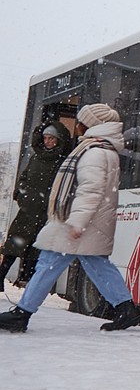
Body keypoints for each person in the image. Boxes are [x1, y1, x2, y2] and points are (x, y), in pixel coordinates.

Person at [0, 103, 140, 333]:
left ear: (89, 125)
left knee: (48, 262)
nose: (77, 125)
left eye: (80, 121)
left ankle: (23, 313)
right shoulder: (101, 149)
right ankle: (126, 309)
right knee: (96, 264)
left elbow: (90, 190)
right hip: (90, 221)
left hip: (79, 221)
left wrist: (77, 221)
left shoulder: (95, 152)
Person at [0, 120, 71, 290]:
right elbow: (23, 178)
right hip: (27, 210)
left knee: (35, 250)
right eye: (46, 138)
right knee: (13, 247)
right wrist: (21, 195)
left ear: (58, 140)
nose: (48, 141)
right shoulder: (36, 157)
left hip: (44, 213)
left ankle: (30, 285)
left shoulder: (61, 161)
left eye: (51, 138)